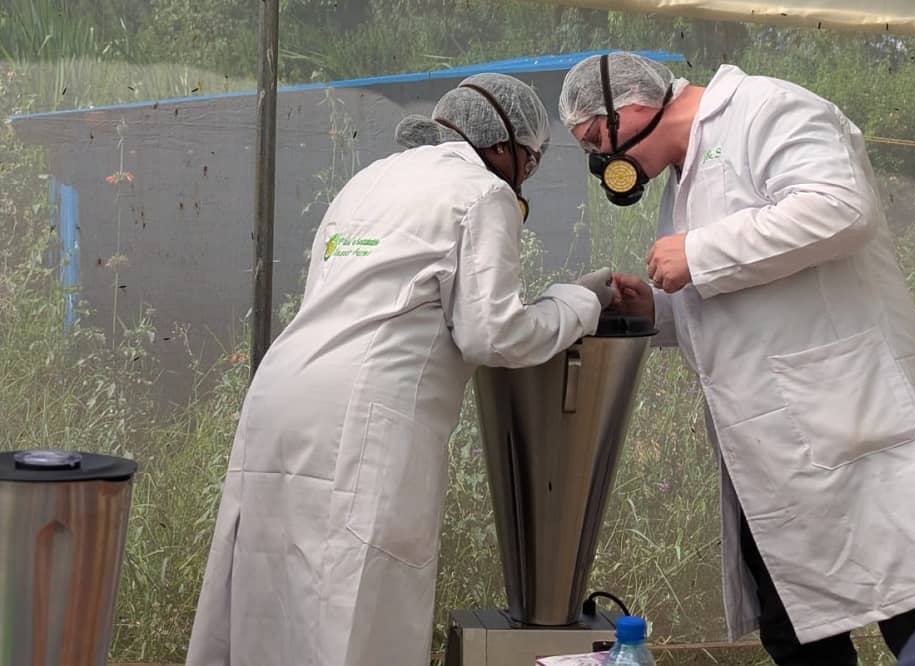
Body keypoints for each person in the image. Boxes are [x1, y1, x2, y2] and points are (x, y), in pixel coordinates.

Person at [558, 51, 915, 665]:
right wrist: (656, 307)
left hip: (846, 417)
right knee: (793, 629)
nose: (601, 162)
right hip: (770, 445)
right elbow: (738, 298)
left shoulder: (768, 110)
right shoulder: (683, 176)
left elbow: (842, 207)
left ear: (625, 111)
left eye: (595, 141)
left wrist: (698, 253)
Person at [185, 72, 617, 666]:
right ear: (501, 146)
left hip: (282, 396)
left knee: (273, 591)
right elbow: (494, 333)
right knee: (359, 600)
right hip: (366, 412)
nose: (524, 177)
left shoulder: (369, 180)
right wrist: (579, 302)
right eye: (530, 160)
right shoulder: (483, 193)